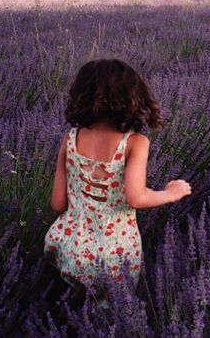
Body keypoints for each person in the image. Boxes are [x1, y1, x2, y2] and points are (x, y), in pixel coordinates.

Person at [44, 58, 191, 305]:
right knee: (113, 315)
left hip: (69, 245)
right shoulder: (135, 143)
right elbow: (135, 197)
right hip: (113, 255)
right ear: (133, 97)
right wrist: (170, 192)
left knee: (75, 304)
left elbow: (58, 204)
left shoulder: (70, 139)